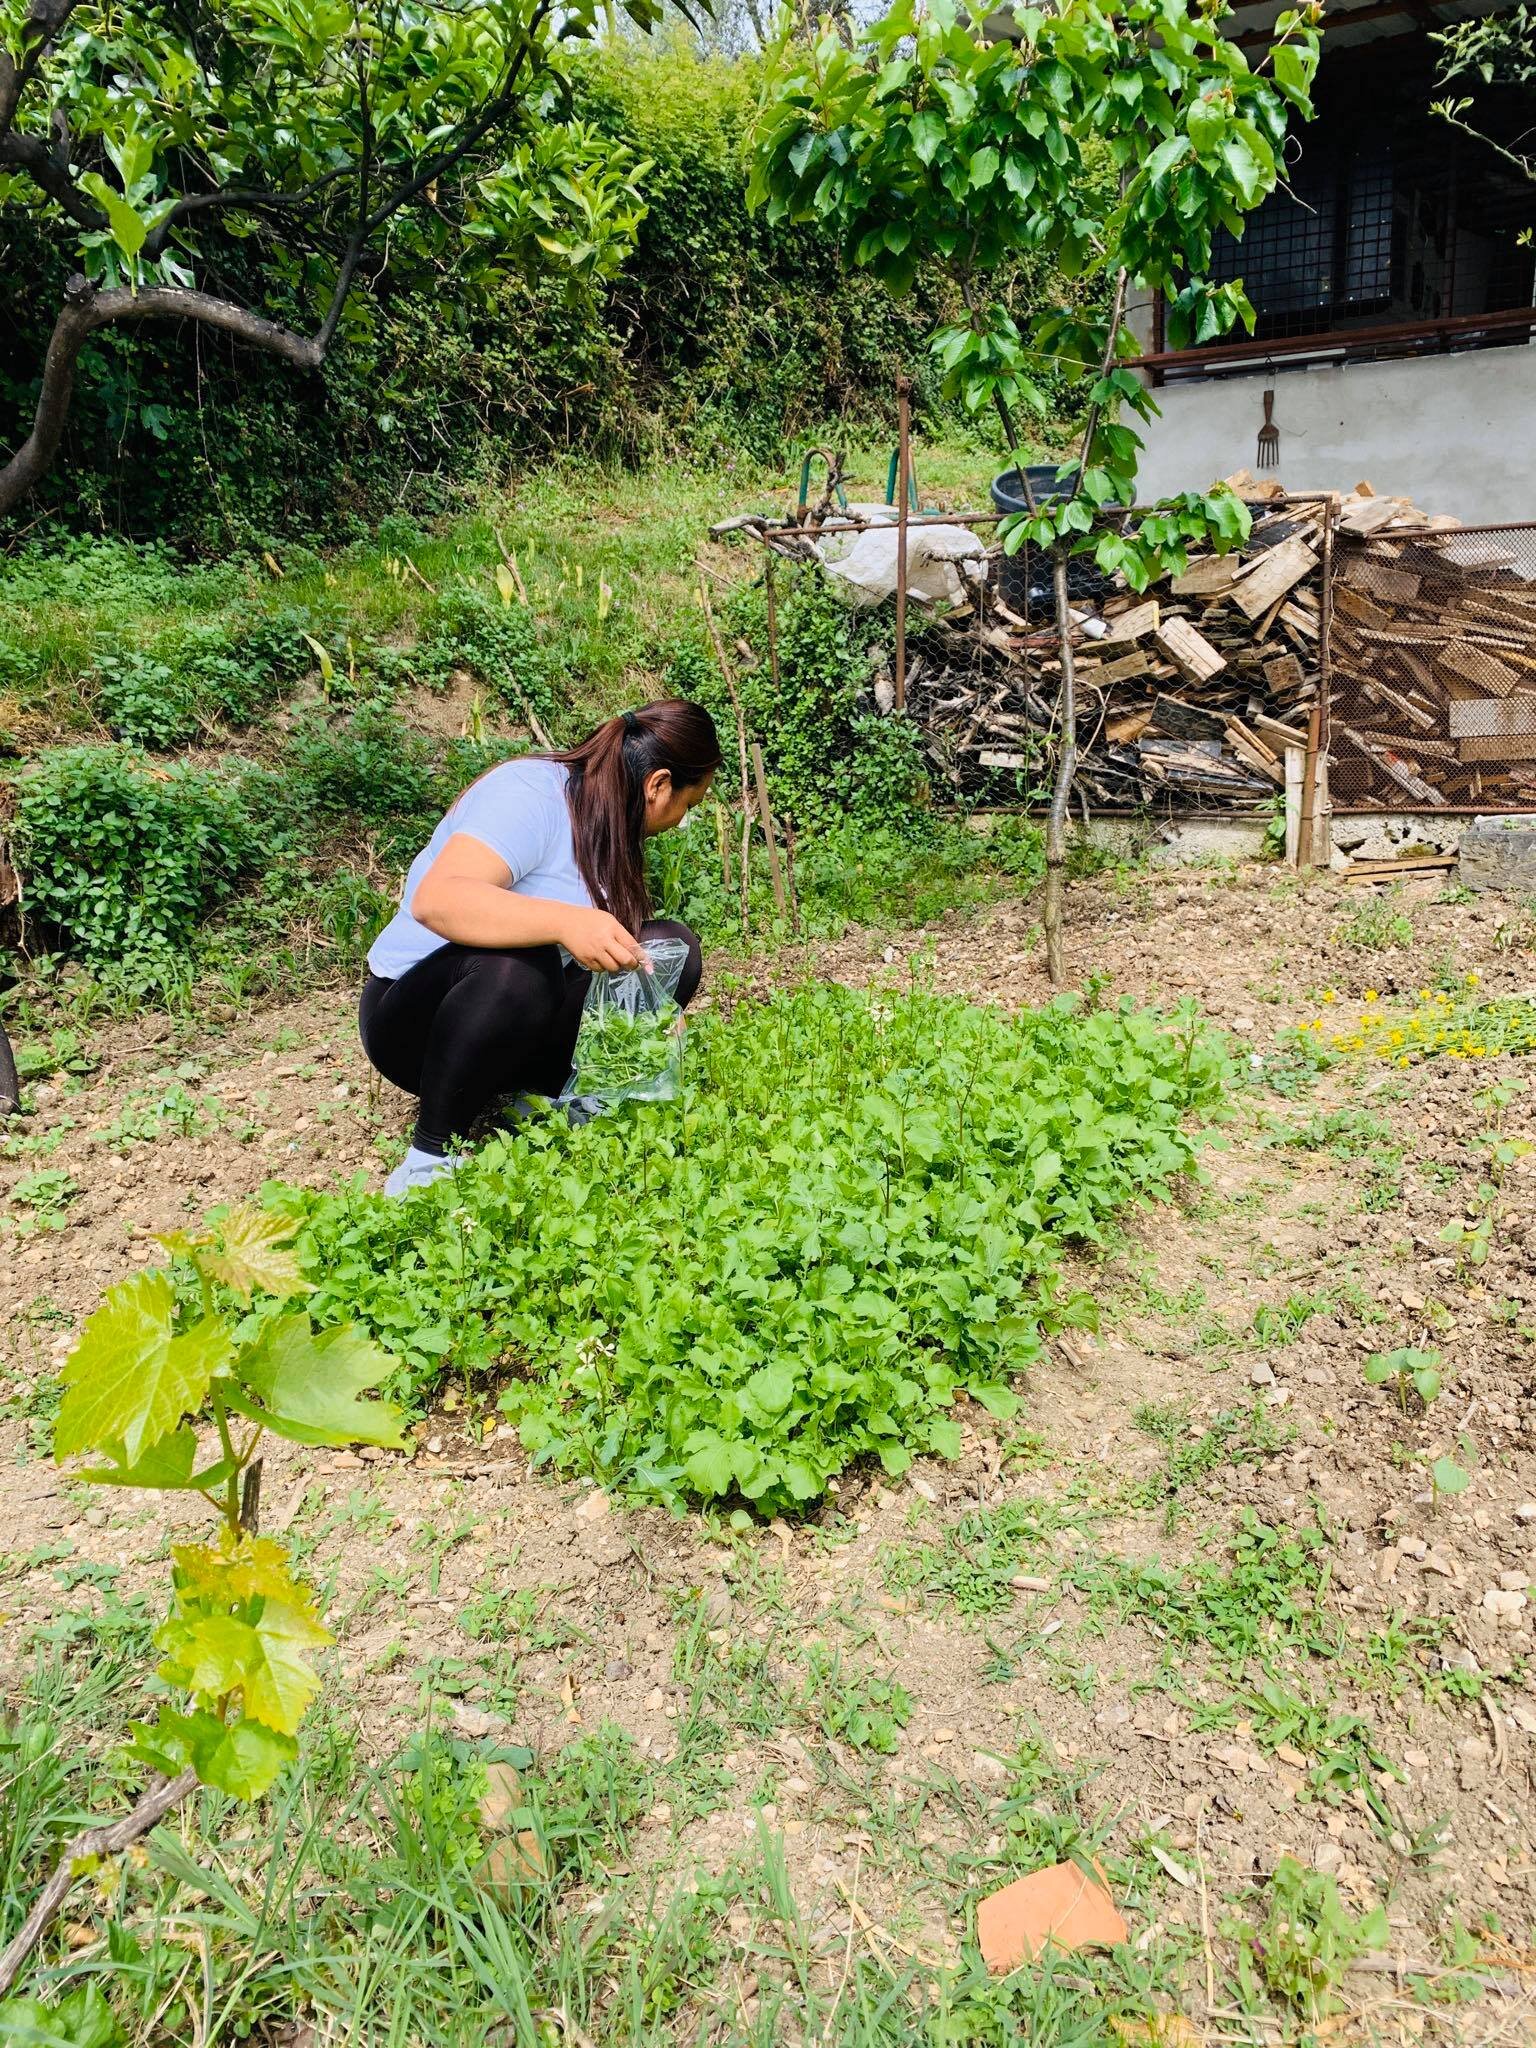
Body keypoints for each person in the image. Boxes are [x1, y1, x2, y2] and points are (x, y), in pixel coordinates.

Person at [360, 698, 721, 1195]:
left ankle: (540, 1098)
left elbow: (606, 943)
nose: (682, 821)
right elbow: (437, 900)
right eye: (689, 803)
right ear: (659, 785)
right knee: (522, 964)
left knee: (669, 949)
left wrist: (653, 1004)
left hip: (519, 1013)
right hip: (416, 1021)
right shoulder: (531, 794)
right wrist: (564, 922)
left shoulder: (611, 820)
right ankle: (428, 1161)